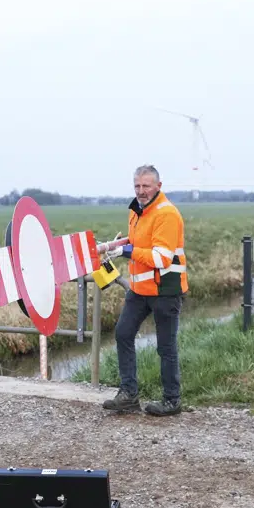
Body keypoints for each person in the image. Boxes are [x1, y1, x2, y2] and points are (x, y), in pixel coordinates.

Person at [96, 164, 188, 416]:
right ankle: (128, 394)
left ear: (158, 186)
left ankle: (172, 400)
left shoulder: (166, 214)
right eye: (137, 186)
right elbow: (136, 243)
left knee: (165, 347)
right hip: (139, 290)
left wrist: (125, 251)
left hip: (165, 290)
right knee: (123, 333)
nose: (141, 190)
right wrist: (110, 246)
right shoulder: (137, 211)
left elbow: (161, 258)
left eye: (146, 186)